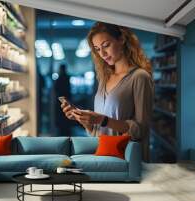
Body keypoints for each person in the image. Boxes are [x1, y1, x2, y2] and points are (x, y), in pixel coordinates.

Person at [61, 22, 154, 161]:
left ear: (121, 39)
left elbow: (140, 130)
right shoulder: (105, 78)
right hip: (102, 157)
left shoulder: (140, 77)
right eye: (98, 49)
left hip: (126, 159)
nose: (102, 53)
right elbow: (98, 132)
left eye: (106, 45)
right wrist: (84, 120)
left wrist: (101, 119)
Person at [54, 64, 72, 136]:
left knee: (61, 120)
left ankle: (62, 134)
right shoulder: (67, 78)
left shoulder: (59, 79)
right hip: (67, 101)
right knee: (66, 119)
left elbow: (55, 90)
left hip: (60, 102)